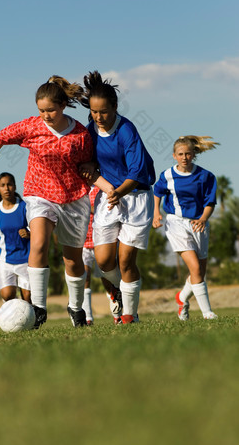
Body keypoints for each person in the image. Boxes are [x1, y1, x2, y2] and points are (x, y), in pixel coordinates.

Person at [0, 75, 112, 328]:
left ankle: (76, 307)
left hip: (73, 197)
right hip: (39, 193)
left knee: (72, 259)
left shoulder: (80, 133)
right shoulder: (31, 126)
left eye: (51, 110)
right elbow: (1, 137)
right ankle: (39, 309)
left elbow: (89, 164)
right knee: (38, 245)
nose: (46, 115)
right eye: (41, 110)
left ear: (63, 106)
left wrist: (98, 174)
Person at [80, 71, 156, 324]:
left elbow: (137, 172)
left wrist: (117, 192)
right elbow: (88, 164)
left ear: (114, 107)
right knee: (103, 261)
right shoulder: (91, 130)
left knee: (125, 260)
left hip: (135, 197)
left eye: (103, 112)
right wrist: (94, 171)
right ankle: (117, 291)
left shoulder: (126, 130)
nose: (98, 117)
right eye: (93, 112)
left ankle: (129, 315)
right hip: (110, 197)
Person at [153, 135, 219, 320]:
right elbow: (157, 192)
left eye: (188, 154)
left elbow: (210, 202)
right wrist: (157, 213)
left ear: (194, 155)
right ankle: (207, 313)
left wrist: (204, 218)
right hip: (176, 222)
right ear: (174, 155)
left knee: (199, 272)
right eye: (180, 154)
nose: (184, 157)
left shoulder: (206, 176)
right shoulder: (167, 175)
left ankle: (181, 298)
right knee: (195, 268)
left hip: (199, 224)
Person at [0, 172, 31, 303]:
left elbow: (37, 228)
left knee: (28, 298)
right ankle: (11, 318)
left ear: (15, 187)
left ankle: (31, 321)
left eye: (9, 185)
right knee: (7, 295)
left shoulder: (25, 207)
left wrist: (29, 233)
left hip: (26, 258)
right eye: (3, 185)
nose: (6, 188)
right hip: (4, 259)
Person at [82, 185, 124, 325]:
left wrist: (90, 208)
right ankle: (88, 318)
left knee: (108, 279)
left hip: (102, 239)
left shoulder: (105, 186)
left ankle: (117, 314)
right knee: (85, 277)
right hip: (83, 240)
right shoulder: (80, 186)